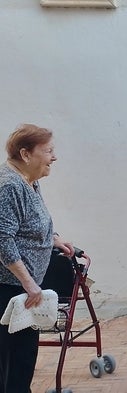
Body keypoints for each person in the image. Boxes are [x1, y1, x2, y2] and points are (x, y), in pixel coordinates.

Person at [0, 124, 74, 393]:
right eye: (49, 151)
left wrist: (54, 239)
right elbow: (3, 239)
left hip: (21, 289)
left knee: (22, 360)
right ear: (26, 154)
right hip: (10, 290)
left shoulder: (30, 181)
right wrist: (29, 283)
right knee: (14, 363)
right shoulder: (9, 186)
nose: (54, 157)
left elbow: (30, 223)